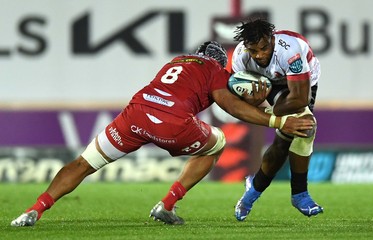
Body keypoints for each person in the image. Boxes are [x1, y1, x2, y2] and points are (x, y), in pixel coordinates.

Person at [11, 41, 315, 227]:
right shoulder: (216, 71)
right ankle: (167, 205)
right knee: (217, 143)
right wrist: (276, 120)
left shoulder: (176, 62)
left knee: (83, 163)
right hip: (172, 121)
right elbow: (231, 106)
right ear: (220, 63)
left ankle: (32, 211)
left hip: (135, 114)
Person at [232, 19, 324, 221]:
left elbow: (300, 99)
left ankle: (252, 192)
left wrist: (269, 113)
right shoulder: (240, 57)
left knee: (286, 140)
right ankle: (299, 195)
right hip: (271, 85)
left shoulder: (289, 50)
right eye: (253, 50)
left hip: (302, 85)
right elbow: (238, 103)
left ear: (272, 39)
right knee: (306, 127)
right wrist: (254, 103)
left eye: (264, 48)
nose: (259, 55)